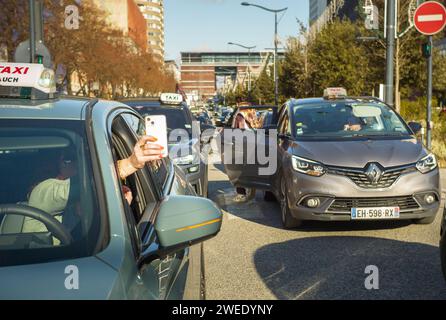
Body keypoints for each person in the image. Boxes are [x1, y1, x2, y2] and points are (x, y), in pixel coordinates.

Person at [24, 135, 164, 233]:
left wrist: (120, 207)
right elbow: (63, 192)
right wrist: (128, 164)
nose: (77, 164)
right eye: (68, 159)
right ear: (52, 164)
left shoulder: (95, 194)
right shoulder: (41, 191)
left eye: (84, 158)